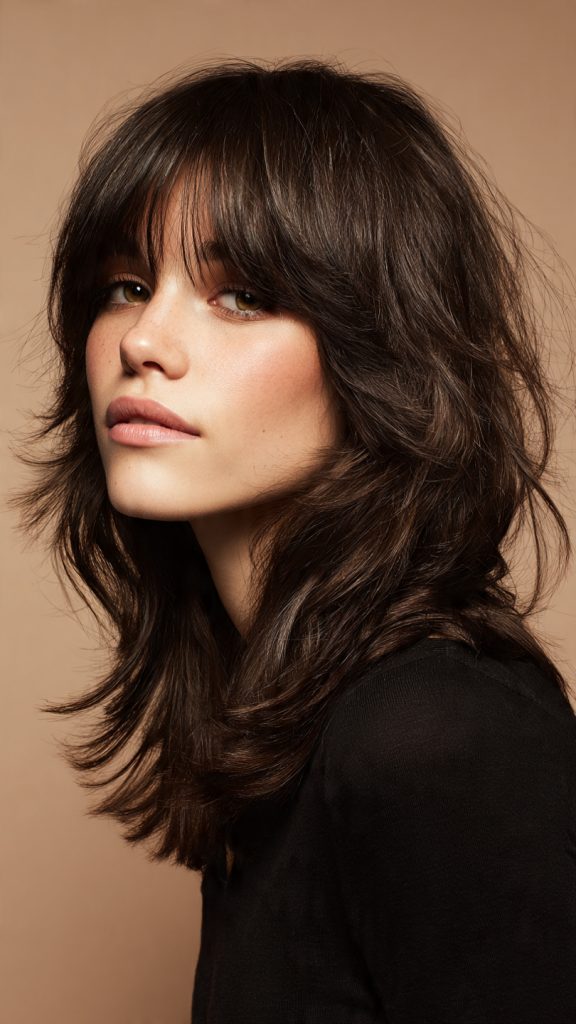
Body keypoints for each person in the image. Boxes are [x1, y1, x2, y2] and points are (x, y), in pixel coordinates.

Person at [13, 57, 576, 1023]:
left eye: (241, 296)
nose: (143, 340)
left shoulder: (435, 734)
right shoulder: (280, 719)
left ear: (382, 351)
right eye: (127, 284)